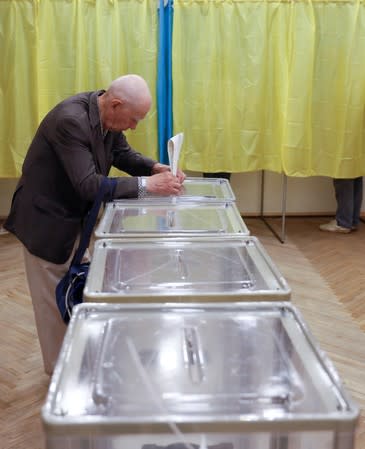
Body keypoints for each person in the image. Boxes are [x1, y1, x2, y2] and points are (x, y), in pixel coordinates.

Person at [4, 74, 186, 375]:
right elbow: (88, 185)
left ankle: (82, 362)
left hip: (74, 221)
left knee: (81, 292)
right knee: (55, 308)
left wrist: (155, 167)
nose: (133, 126)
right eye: (133, 119)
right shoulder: (71, 121)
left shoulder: (104, 115)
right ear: (115, 104)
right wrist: (148, 186)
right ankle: (63, 380)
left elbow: (122, 154)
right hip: (46, 225)